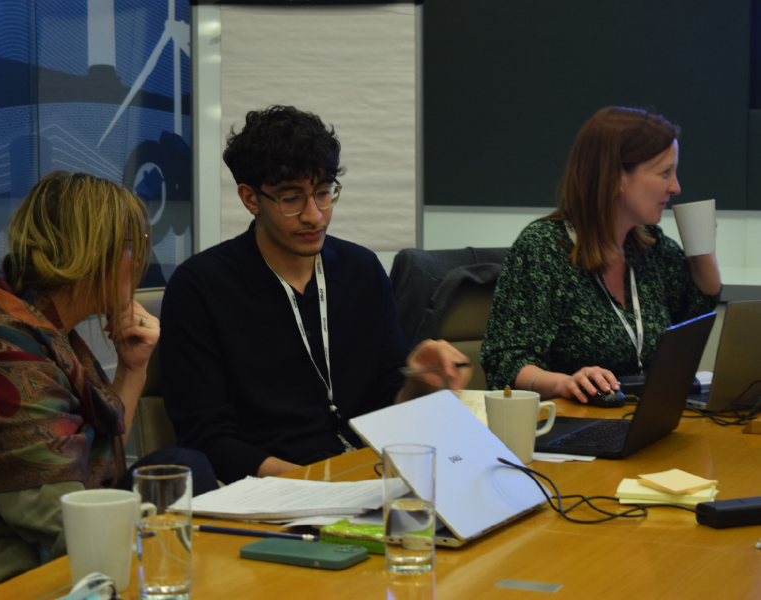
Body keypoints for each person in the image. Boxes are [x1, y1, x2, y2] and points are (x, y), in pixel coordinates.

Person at [0, 171, 215, 588]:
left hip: (3, 531)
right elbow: (64, 521)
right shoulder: (0, 355)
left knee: (184, 468)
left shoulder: (33, 325)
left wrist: (133, 368)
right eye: (130, 247)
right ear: (92, 254)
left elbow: (98, 460)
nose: (138, 262)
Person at [158, 106, 471, 484]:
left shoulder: (361, 270)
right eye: (292, 199)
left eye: (323, 193)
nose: (315, 216)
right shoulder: (201, 287)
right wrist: (319, 484)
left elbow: (390, 403)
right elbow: (207, 438)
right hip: (274, 487)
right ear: (250, 198)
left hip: (371, 475)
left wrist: (420, 379)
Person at [480, 107, 721, 402]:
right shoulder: (542, 248)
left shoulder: (651, 247)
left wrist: (702, 248)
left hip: (641, 414)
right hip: (570, 420)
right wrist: (564, 383)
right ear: (616, 177)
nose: (676, 187)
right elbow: (504, 362)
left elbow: (696, 309)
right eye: (664, 173)